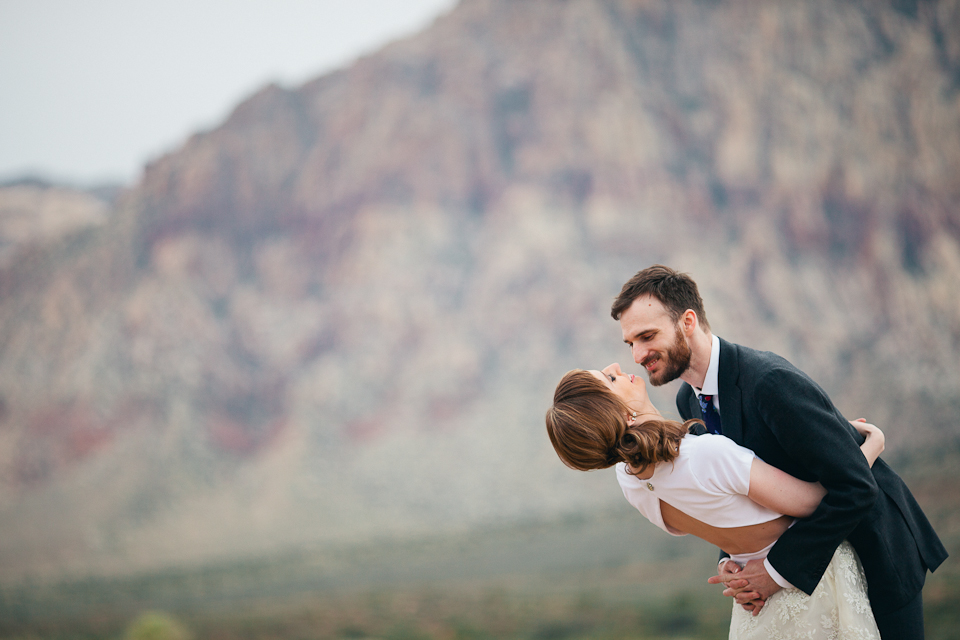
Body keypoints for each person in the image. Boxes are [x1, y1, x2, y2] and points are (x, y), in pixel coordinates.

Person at [608, 265, 947, 640]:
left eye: (647, 336)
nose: (638, 354)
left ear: (687, 321)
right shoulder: (689, 399)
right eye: (630, 343)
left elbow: (856, 487)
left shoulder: (769, 382)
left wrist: (773, 572)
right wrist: (733, 561)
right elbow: (737, 491)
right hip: (815, 571)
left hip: (877, 553)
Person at [546, 364, 884, 639]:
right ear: (621, 414)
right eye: (609, 379)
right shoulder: (705, 455)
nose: (616, 366)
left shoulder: (630, 482)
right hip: (814, 589)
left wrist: (728, 562)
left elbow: (721, 517)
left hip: (754, 608)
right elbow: (814, 502)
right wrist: (866, 449)